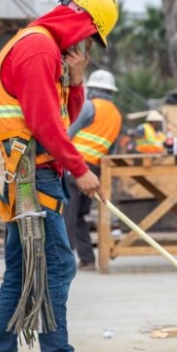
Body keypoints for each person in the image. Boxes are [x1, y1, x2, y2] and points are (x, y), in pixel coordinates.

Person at [0, 0, 118, 352]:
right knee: (58, 265)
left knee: (23, 271)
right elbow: (43, 123)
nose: (88, 45)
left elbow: (66, 118)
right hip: (33, 176)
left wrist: (75, 79)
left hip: (25, 175)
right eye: (91, 36)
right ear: (82, 22)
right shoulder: (38, 48)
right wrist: (80, 169)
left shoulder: (44, 49)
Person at [64, 69, 122, 271]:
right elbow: (111, 149)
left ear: (92, 89)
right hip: (95, 170)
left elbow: (68, 133)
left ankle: (66, 260)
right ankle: (87, 259)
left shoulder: (89, 106)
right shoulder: (116, 114)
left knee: (68, 214)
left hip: (76, 165)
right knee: (80, 215)